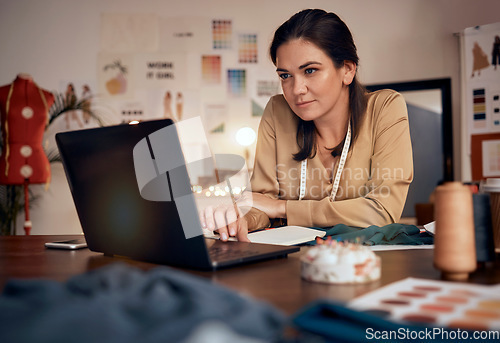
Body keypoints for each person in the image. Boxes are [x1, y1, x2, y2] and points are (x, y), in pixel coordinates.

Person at [200, 9, 413, 242]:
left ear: (348, 70)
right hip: (292, 262)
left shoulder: (385, 107)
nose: (296, 89)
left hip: (364, 263)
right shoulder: (277, 111)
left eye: (310, 71)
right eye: (285, 76)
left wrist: (283, 209)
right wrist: (239, 218)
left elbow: (382, 210)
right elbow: (260, 202)